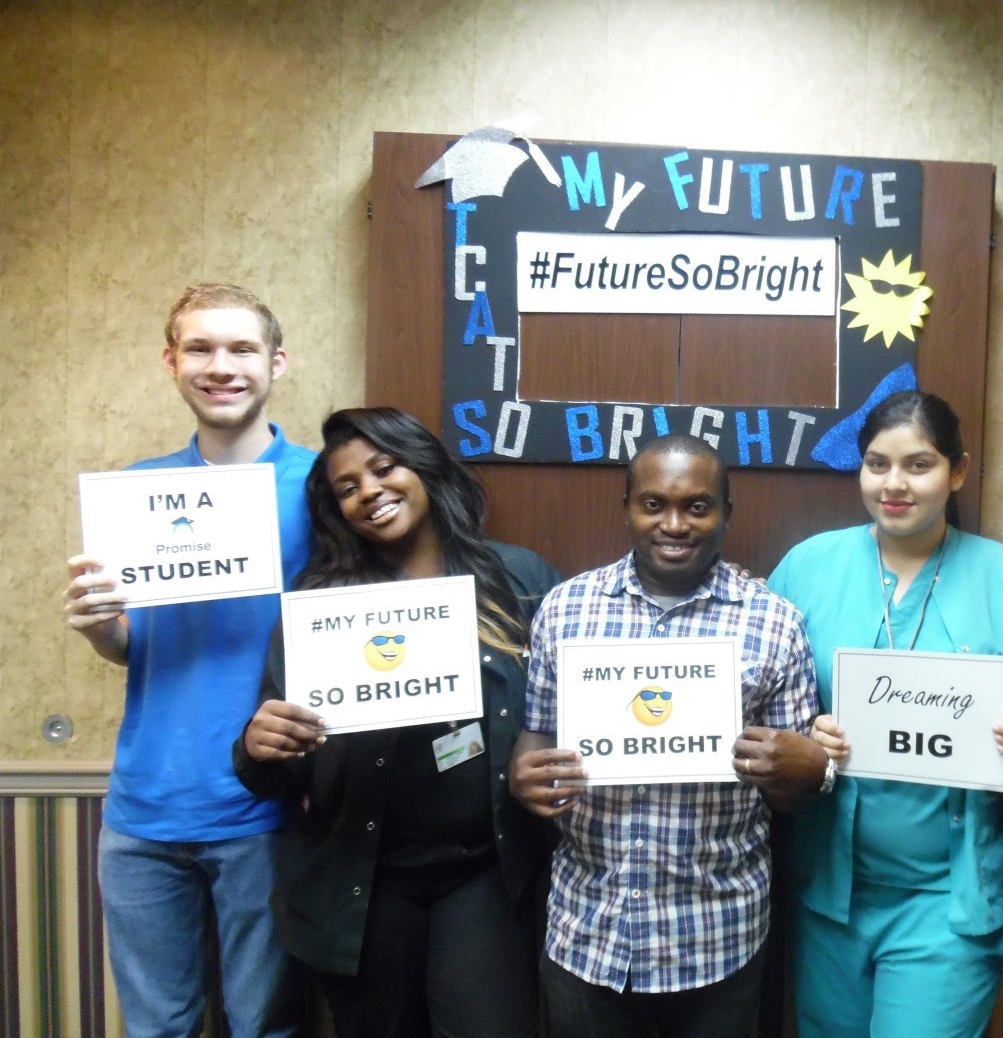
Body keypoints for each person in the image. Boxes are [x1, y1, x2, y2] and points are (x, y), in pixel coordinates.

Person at [232, 407, 558, 1038]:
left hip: (483, 871)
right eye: (347, 488)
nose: (369, 493)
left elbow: (568, 712)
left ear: (425, 467)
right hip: (362, 880)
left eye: (384, 468)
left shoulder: (518, 580)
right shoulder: (321, 607)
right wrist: (259, 745)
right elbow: (277, 769)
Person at [509, 433, 830, 1038]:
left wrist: (797, 770)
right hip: (588, 929)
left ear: (726, 515)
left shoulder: (775, 622)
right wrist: (524, 778)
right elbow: (535, 739)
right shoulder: (564, 609)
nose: (674, 524)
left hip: (718, 936)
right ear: (627, 506)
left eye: (698, 507)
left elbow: (793, 794)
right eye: (653, 504)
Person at [61, 282, 312, 1038]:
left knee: (263, 1026)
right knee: (157, 1027)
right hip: (143, 807)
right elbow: (132, 643)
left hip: (265, 808)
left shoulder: (327, 485)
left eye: (241, 348)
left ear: (277, 362)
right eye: (200, 348)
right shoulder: (135, 492)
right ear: (171, 362)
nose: (221, 365)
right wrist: (96, 629)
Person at [765, 389, 1003, 1038]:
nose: (894, 484)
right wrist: (803, 737)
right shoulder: (807, 568)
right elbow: (760, 703)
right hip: (830, 896)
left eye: (918, 465)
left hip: (951, 903)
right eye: (876, 464)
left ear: (958, 472)